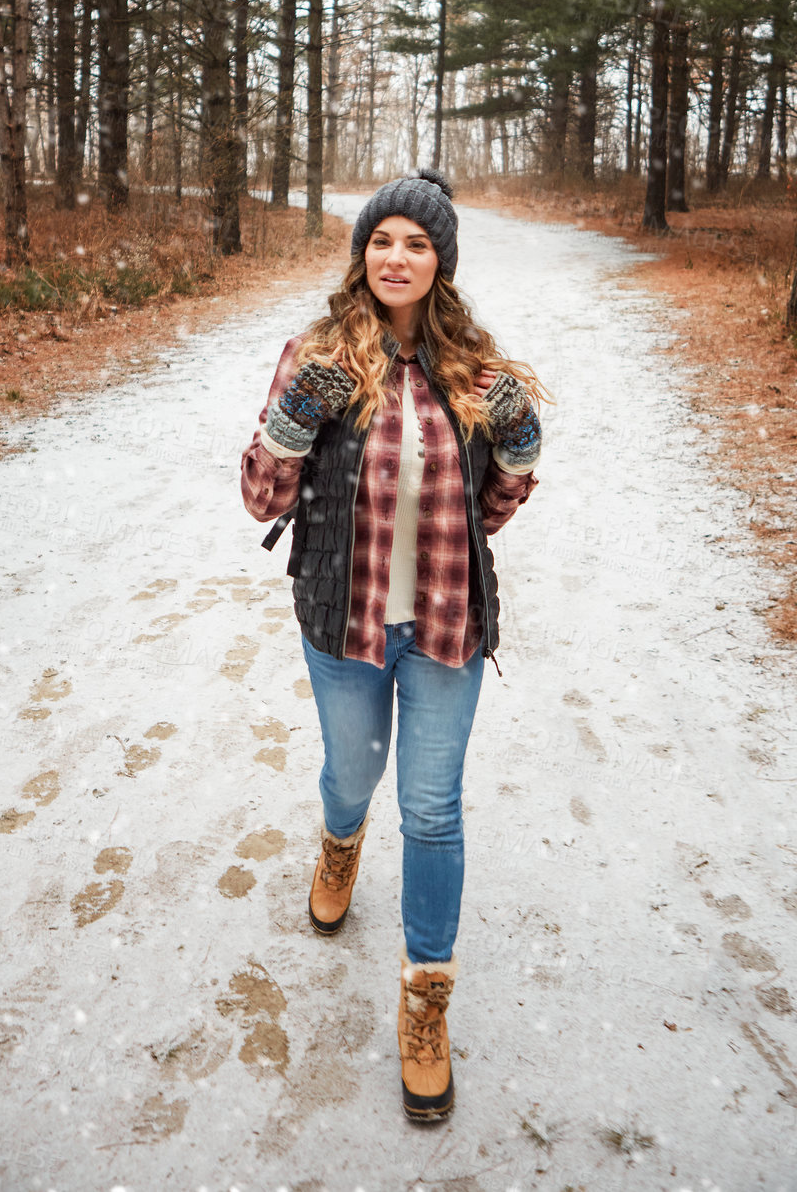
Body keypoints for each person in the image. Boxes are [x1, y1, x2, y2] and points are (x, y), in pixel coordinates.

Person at [240, 168, 545, 1122]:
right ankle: (339, 842)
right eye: (383, 240)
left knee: (434, 810)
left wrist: (520, 446)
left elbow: (491, 511)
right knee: (350, 779)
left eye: (417, 243)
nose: (397, 257)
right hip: (345, 620)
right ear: (362, 253)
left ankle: (425, 1002)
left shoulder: (477, 370)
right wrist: (294, 425)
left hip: (446, 625)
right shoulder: (317, 355)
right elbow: (262, 499)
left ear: (439, 261)